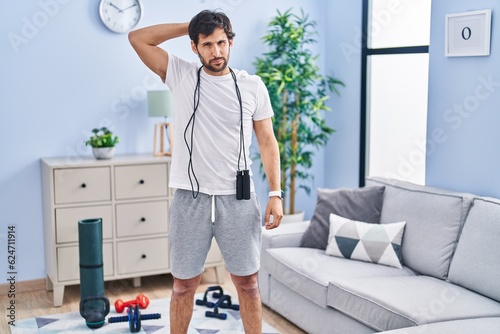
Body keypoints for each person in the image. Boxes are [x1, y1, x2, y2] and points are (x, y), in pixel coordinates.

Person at [128, 9, 283, 334]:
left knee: (248, 284)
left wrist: (275, 193)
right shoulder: (181, 75)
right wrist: (192, 25)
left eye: (222, 42)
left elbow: (267, 142)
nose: (217, 51)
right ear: (195, 47)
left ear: (231, 42)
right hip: (190, 199)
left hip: (238, 200)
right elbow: (137, 38)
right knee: (183, 285)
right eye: (208, 44)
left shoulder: (252, 86)